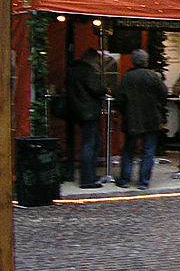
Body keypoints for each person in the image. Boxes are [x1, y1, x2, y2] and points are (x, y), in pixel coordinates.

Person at [113, 49, 167, 189]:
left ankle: (125, 179)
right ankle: (143, 181)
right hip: (151, 118)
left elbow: (119, 98)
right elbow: (163, 93)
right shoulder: (153, 76)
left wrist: (124, 111)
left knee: (129, 149)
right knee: (148, 151)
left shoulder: (127, 77)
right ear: (146, 61)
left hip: (132, 118)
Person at [67, 48, 106, 189]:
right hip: (88, 111)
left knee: (92, 143)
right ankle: (87, 179)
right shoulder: (87, 71)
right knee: (90, 144)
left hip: (77, 110)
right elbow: (96, 89)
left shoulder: (73, 69)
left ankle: (89, 175)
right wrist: (105, 89)